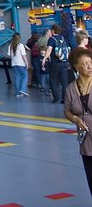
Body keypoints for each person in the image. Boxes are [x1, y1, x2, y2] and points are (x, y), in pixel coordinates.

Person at [64, 47, 92, 197]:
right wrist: (74, 118)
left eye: (91, 62)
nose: (90, 66)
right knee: (91, 178)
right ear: (76, 66)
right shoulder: (71, 89)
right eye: (85, 63)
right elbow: (67, 110)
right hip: (86, 141)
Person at [43, 23, 70, 104]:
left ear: (53, 31)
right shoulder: (63, 38)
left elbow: (49, 50)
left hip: (55, 63)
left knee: (53, 79)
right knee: (64, 81)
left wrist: (44, 58)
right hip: (64, 62)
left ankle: (56, 97)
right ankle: (64, 98)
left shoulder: (52, 39)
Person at [8, 32, 28, 98]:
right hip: (21, 63)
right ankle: (22, 90)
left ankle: (18, 93)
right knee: (25, 76)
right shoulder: (20, 45)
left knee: (17, 77)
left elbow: (10, 56)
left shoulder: (10, 45)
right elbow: (23, 55)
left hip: (14, 63)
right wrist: (26, 62)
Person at [36, 28, 52, 94]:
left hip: (40, 57)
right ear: (47, 32)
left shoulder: (40, 39)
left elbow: (37, 46)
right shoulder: (49, 40)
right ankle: (49, 88)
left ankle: (43, 87)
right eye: (50, 32)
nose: (51, 33)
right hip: (48, 57)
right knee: (48, 74)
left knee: (42, 74)